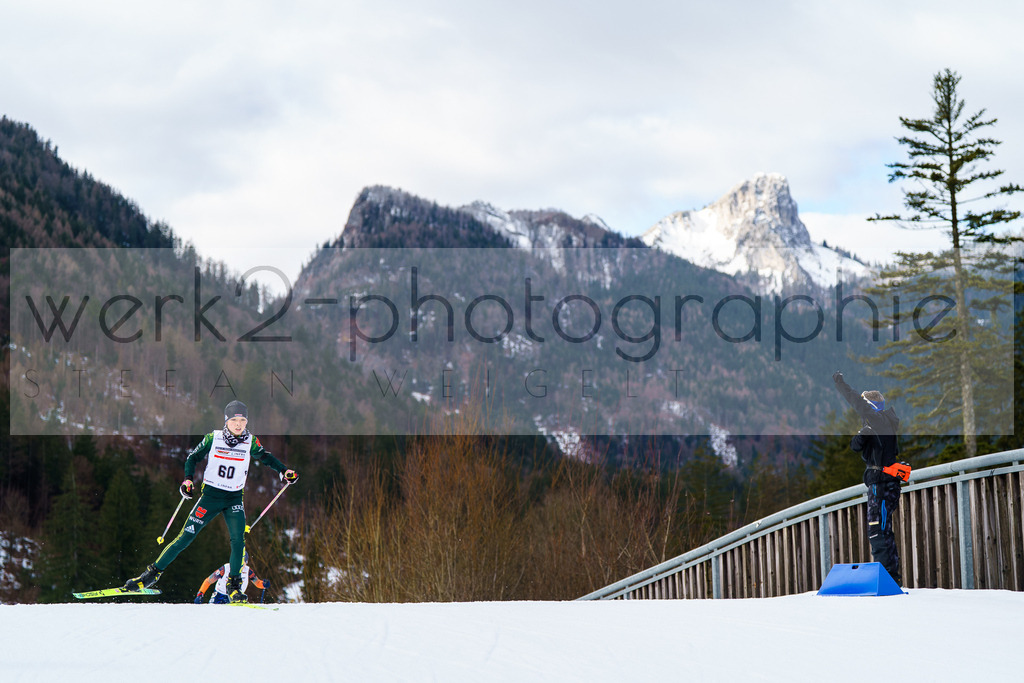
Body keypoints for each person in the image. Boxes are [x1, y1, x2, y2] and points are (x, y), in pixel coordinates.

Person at [124, 400, 298, 602]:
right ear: (227, 420)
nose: (239, 424)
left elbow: (266, 458)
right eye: (234, 420)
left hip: (233, 498)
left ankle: (234, 586)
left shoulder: (250, 441)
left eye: (243, 420)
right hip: (210, 497)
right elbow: (192, 458)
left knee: (238, 541)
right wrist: (188, 479)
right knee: (185, 538)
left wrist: (284, 471)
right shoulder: (213, 438)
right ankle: (150, 575)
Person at [832, 371, 903, 586]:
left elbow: (855, 400)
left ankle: (886, 581)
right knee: (884, 530)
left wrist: (840, 383)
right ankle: (892, 578)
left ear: (871, 407)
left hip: (880, 485)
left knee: (877, 530)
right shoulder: (883, 423)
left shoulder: (876, 419)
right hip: (886, 482)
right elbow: (857, 445)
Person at [195, 550, 266, 604]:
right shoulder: (225, 568)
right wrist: (200, 594)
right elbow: (208, 581)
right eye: (238, 562)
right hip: (220, 595)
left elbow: (257, 582)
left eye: (242, 563)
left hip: (235, 596)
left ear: (246, 562)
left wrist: (263, 584)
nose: (240, 565)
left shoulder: (247, 571)